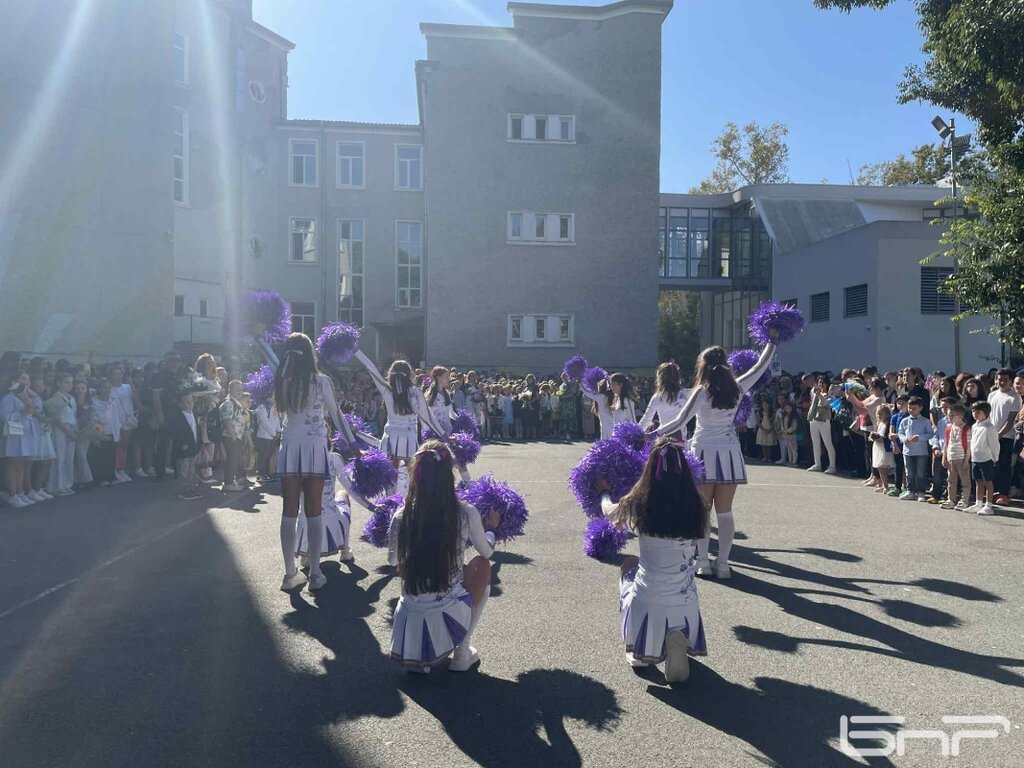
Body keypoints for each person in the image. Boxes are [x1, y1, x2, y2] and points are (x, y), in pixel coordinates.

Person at [652, 337, 777, 579]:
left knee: (702, 510)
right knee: (725, 512)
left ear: (703, 366)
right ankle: (723, 564)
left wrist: (651, 434)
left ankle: (702, 561)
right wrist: (772, 340)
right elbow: (760, 366)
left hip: (703, 452)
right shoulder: (738, 387)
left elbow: (680, 421)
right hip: (729, 453)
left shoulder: (701, 392)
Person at [599, 438, 709, 682]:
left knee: (629, 564)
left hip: (648, 599)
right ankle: (677, 636)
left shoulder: (638, 504)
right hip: (685, 601)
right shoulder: (698, 505)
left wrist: (604, 492)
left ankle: (639, 650)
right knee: (681, 585)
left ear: (650, 467)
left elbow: (608, 512)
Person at [387, 440, 499, 673]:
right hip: (447, 615)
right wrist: (491, 530)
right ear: (449, 474)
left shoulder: (401, 515)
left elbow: (392, 561)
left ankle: (421, 655)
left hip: (408, 619)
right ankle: (462, 653)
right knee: (482, 565)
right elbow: (487, 552)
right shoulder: (465, 512)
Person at [276, 333, 356, 592]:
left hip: (289, 447)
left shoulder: (282, 379)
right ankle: (315, 574)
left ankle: (290, 574)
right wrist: (353, 444)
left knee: (289, 511)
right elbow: (336, 415)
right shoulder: (321, 381)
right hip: (314, 447)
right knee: (314, 510)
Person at [354, 351, 445, 493]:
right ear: (409, 375)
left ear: (391, 374)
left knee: (390, 478)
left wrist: (356, 351)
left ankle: (390, 503)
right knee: (414, 477)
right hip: (409, 439)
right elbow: (428, 417)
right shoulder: (415, 392)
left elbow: (372, 369)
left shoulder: (387, 391)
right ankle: (414, 502)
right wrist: (444, 435)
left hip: (390, 439)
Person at [297, 449, 353, 565]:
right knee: (342, 494)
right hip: (330, 520)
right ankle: (345, 551)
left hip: (305, 522)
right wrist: (372, 507)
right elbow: (351, 488)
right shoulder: (334, 458)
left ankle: (306, 553)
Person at [1, 372, 37, 507]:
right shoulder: (9, 398)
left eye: (28, 378)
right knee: (13, 464)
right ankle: (12, 494)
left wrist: (30, 398)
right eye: (23, 378)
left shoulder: (25, 397)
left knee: (21, 464)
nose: (26, 381)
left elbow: (35, 409)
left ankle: (20, 492)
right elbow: (4, 417)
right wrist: (21, 412)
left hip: (25, 434)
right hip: (14, 434)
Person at [987, 368, 1021, 505]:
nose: (1001, 382)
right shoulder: (992, 395)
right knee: (992, 464)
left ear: (1011, 381)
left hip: (1007, 437)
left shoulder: (1014, 397)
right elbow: (988, 416)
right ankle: (992, 491)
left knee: (1004, 465)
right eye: (999, 379)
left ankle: (1003, 494)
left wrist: (999, 435)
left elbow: (1010, 420)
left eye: (1005, 379)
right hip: (992, 435)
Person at [45, 372, 77, 496]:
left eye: (71, 383)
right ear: (59, 383)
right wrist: (67, 430)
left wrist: (74, 431)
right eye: (66, 382)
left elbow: (74, 415)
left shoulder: (72, 398)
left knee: (69, 457)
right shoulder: (56, 398)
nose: (69, 385)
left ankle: (67, 483)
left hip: (71, 428)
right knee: (59, 456)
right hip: (60, 428)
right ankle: (56, 485)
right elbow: (56, 418)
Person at [896, 396, 934, 502]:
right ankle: (910, 491)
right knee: (909, 472)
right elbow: (900, 432)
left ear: (920, 408)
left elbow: (930, 434)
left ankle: (921, 492)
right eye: (910, 408)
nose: (911, 410)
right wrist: (904, 439)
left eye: (914, 408)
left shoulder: (925, 421)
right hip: (907, 451)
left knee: (921, 473)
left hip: (921, 451)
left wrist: (920, 437)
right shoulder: (904, 421)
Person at [166, 392, 202, 501]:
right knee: (183, 470)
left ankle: (189, 488)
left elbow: (197, 430)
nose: (190, 404)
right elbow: (176, 433)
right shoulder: (177, 417)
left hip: (194, 446)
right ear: (180, 404)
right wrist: (181, 444)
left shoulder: (194, 414)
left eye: (191, 401)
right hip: (183, 447)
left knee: (191, 469)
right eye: (187, 402)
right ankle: (182, 490)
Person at [639, 362, 686, 440]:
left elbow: (646, 418)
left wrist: (636, 433)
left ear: (660, 378)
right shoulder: (686, 394)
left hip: (663, 437)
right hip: (681, 438)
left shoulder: (657, 397)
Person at [583, 372, 638, 440]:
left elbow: (633, 421)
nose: (611, 387)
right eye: (611, 384)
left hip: (625, 437)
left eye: (614, 384)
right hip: (616, 436)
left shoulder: (627, 400)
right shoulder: (615, 399)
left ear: (621, 385)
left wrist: (634, 437)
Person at [968, 401, 999, 515]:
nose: (975, 414)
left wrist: (994, 458)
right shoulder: (974, 426)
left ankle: (988, 505)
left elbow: (994, 444)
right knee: (978, 481)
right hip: (975, 458)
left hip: (986, 459)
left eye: (978, 412)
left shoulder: (990, 427)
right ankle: (978, 503)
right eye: (973, 411)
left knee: (988, 482)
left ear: (986, 413)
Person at [942, 403, 971, 510]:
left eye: (951, 415)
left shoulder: (966, 429)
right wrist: (944, 457)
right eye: (949, 415)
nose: (949, 417)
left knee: (965, 481)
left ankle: (965, 500)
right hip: (951, 457)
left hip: (961, 458)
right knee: (951, 481)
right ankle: (951, 499)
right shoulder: (949, 428)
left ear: (960, 416)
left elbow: (969, 446)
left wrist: (966, 461)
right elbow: (946, 443)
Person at [219, 379, 246, 492]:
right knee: (231, 460)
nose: (239, 392)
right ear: (229, 389)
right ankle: (228, 483)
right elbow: (227, 421)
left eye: (241, 390)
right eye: (236, 389)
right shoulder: (229, 403)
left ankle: (231, 481)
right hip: (230, 437)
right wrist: (234, 436)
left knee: (234, 460)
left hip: (236, 436)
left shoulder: (235, 402)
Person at [806, 376, 837, 473]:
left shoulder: (830, 394)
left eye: (823, 382)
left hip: (824, 420)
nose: (821, 384)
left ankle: (832, 466)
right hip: (814, 419)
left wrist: (819, 395)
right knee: (815, 443)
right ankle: (817, 464)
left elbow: (827, 405)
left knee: (828, 443)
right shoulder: (815, 393)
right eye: (820, 382)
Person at [254, 398, 282, 482]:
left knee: (268, 456)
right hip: (263, 436)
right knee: (262, 456)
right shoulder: (260, 408)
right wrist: (274, 433)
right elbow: (265, 422)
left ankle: (266, 473)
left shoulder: (274, 408)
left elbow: (277, 420)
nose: (271, 399)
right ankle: (260, 474)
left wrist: (278, 431)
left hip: (272, 437)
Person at [869, 404, 894, 494]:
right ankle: (884, 485)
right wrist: (873, 437)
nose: (879, 415)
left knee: (884, 466)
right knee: (880, 467)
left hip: (884, 447)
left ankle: (889, 486)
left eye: (882, 414)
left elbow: (885, 436)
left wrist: (878, 437)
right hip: (878, 446)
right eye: (878, 413)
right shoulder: (880, 423)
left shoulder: (888, 423)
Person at [755, 393, 777, 464]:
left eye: (766, 404)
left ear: (769, 405)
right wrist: (763, 429)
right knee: (763, 444)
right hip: (762, 429)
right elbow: (758, 422)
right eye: (763, 404)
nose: (765, 406)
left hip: (770, 429)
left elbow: (774, 422)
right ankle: (765, 457)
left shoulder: (772, 413)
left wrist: (770, 429)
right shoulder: (760, 412)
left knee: (769, 444)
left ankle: (769, 457)